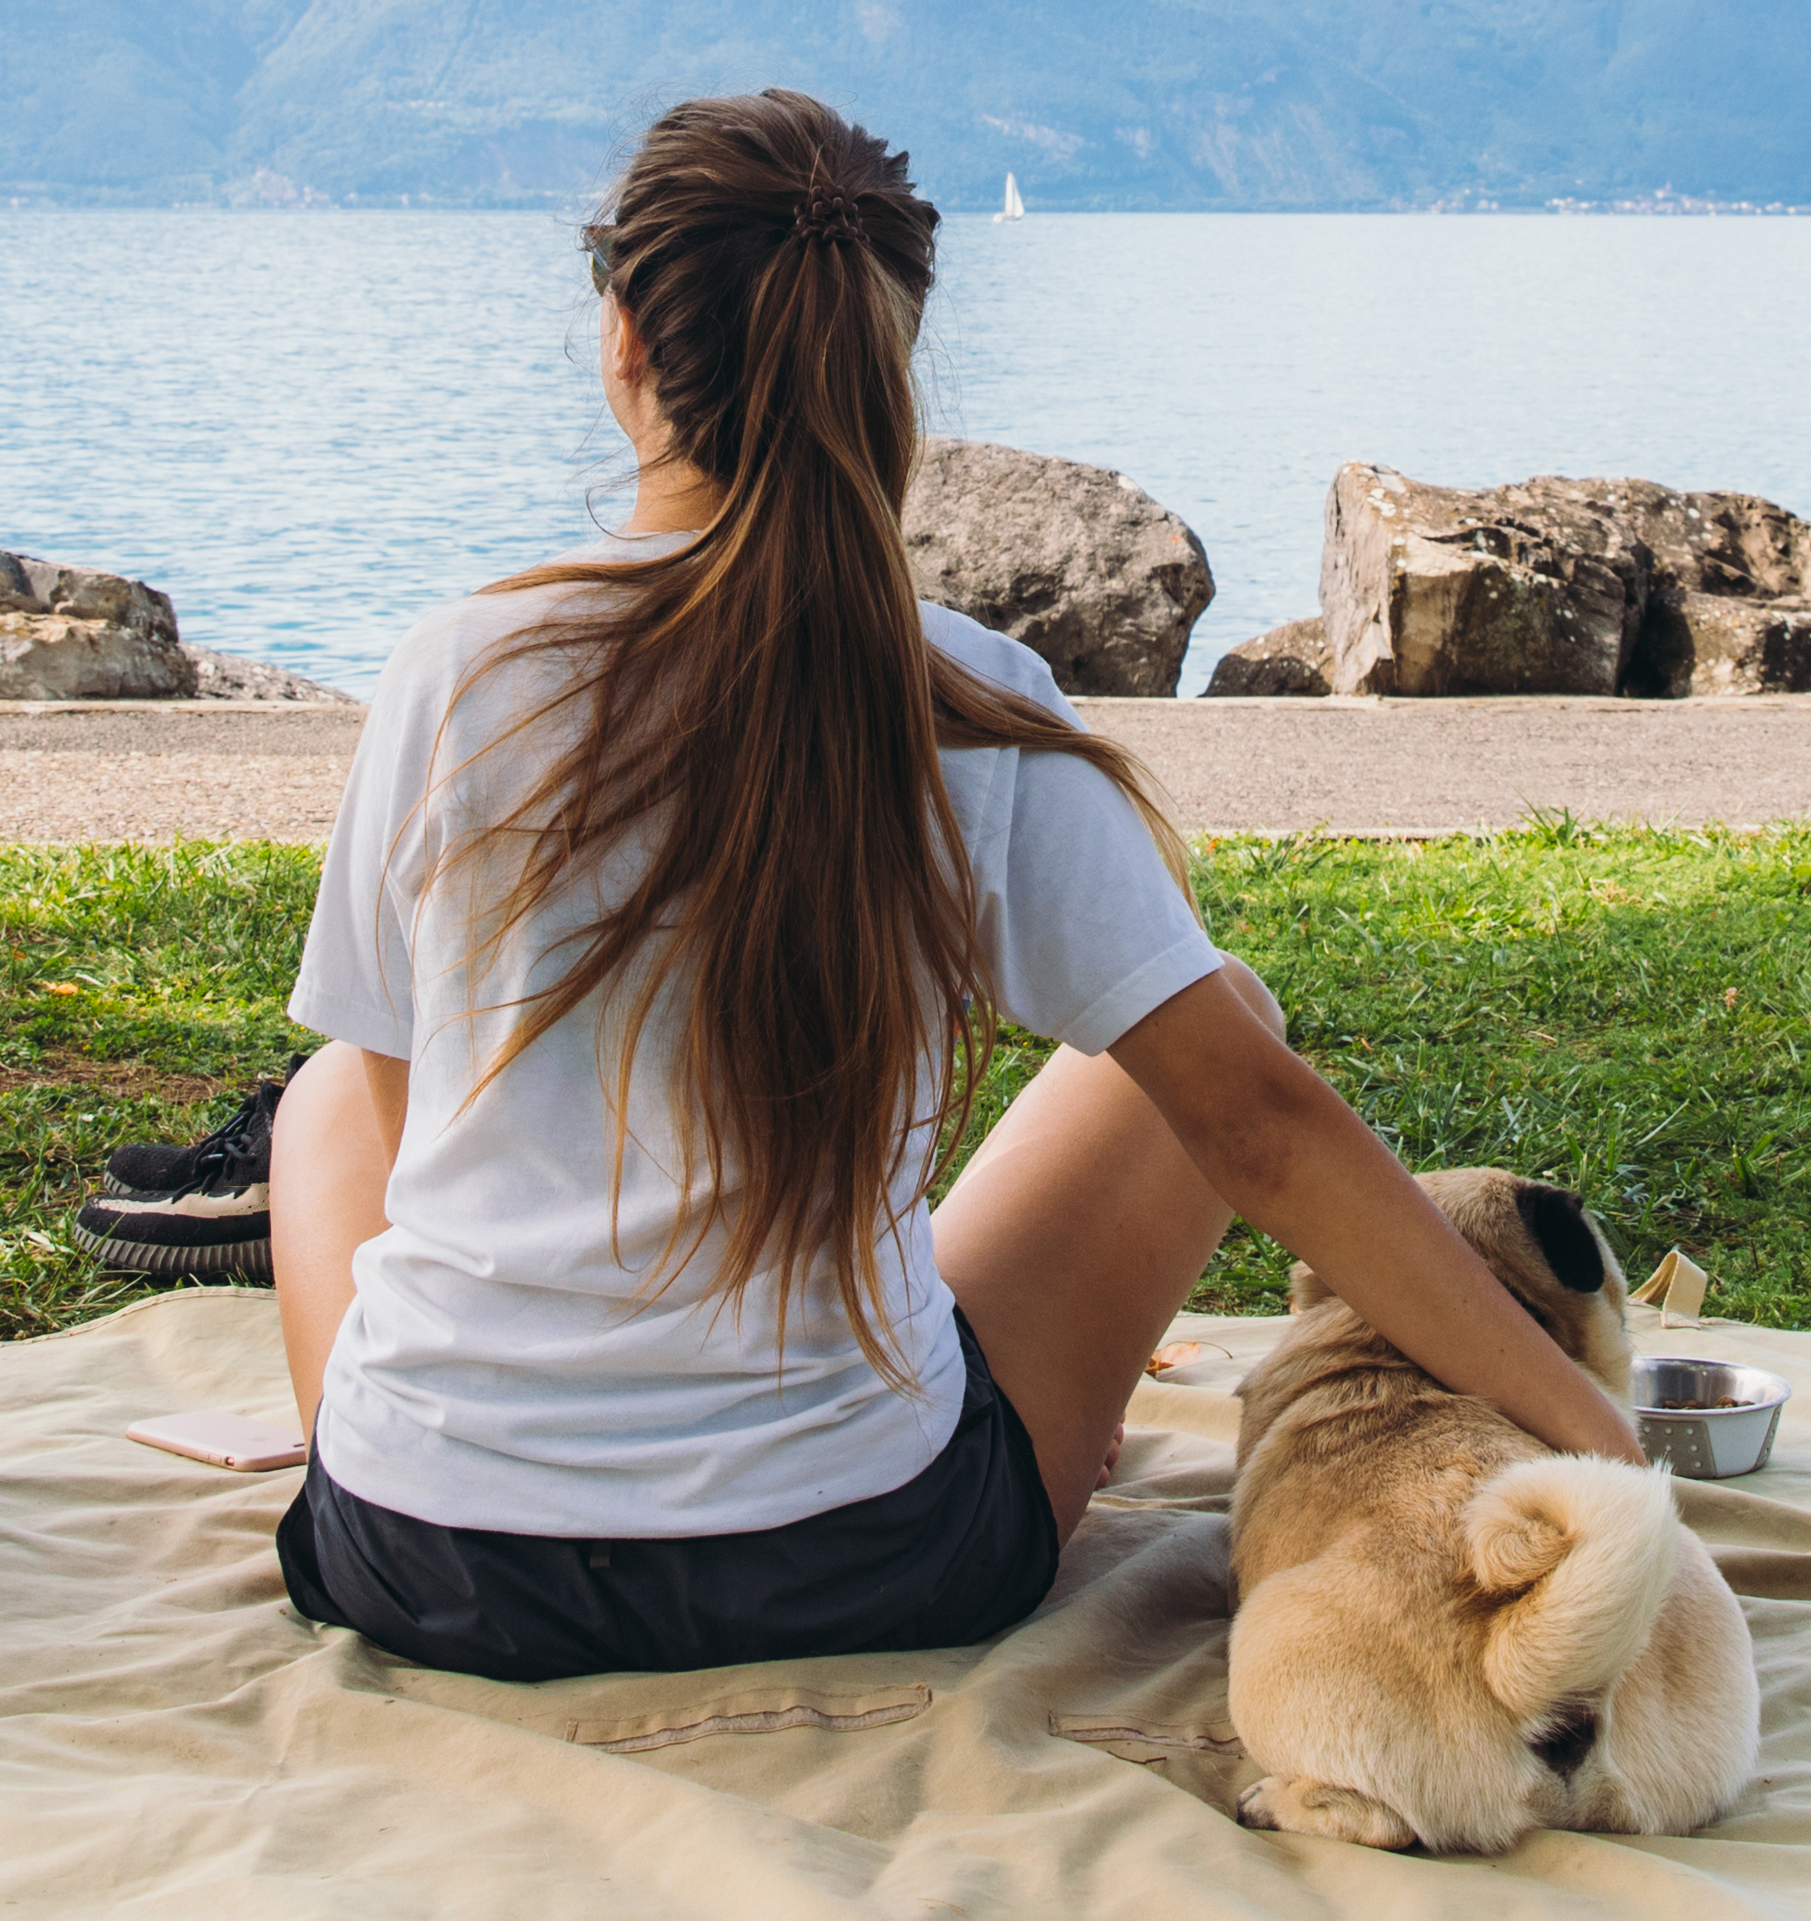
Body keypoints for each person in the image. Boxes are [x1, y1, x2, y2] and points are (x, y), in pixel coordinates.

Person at [237, 86, 1643, 1683]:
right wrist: (1608, 1448)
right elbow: (1257, 1127)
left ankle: (409, 1433)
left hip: (431, 1565)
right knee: (1210, 1024)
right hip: (859, 1558)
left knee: (316, 1104)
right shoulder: (964, 697)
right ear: (887, 364)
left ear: (622, 335)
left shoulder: (456, 669)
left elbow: (407, 1118)